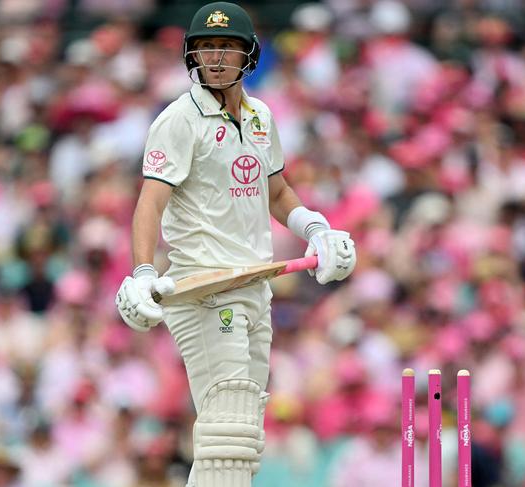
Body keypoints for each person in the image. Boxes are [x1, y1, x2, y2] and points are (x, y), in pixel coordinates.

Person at [115, 3, 357, 486]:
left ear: (248, 55)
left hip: (254, 286)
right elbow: (150, 203)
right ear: (192, 55)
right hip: (204, 287)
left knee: (241, 434)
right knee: (226, 425)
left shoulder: (261, 115)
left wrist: (316, 229)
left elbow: (278, 192)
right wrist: (143, 272)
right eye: (206, 47)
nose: (217, 57)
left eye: (227, 46)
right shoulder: (178, 119)